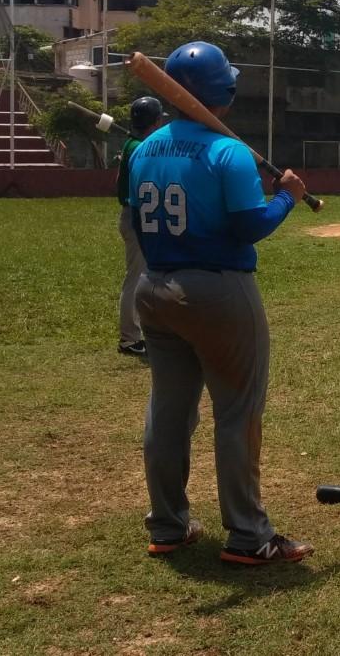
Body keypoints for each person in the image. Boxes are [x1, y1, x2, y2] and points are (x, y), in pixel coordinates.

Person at [129, 41, 313, 565]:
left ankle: (167, 525)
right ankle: (249, 535)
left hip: (155, 287)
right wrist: (287, 197)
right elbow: (248, 226)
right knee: (237, 412)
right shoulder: (227, 151)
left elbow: (136, 212)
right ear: (224, 93)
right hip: (218, 290)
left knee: (168, 412)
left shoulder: (146, 147)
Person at [116, 96, 165, 362]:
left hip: (139, 216)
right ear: (156, 121)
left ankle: (144, 331)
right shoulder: (140, 148)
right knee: (135, 279)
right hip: (135, 217)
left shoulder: (134, 144)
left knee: (146, 275)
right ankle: (129, 338)